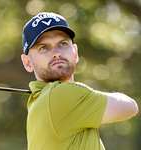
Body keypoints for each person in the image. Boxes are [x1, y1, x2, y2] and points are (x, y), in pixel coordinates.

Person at [21, 12, 139, 150]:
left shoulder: (39, 102)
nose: (57, 52)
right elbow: (130, 107)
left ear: (75, 52)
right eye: (44, 47)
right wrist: (87, 95)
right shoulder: (60, 94)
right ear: (27, 62)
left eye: (63, 43)